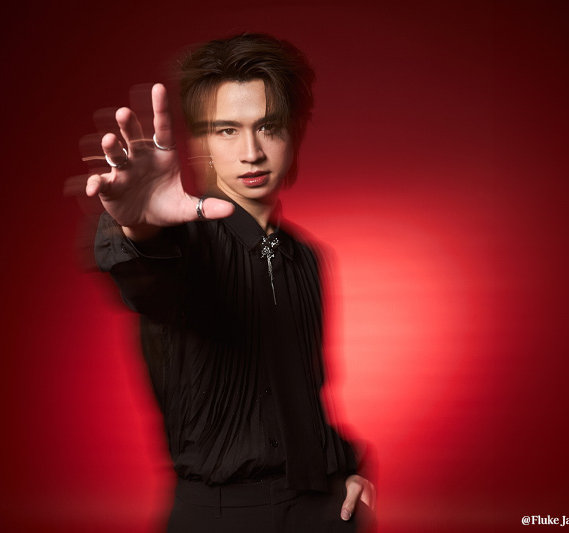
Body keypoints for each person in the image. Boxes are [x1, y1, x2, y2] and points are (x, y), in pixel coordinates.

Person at [85, 33, 375, 532]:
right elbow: (143, 277)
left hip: (321, 510)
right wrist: (136, 227)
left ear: (293, 135)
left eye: (269, 127)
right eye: (227, 130)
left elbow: (307, 394)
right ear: (201, 143)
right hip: (218, 517)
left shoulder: (306, 258)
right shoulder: (183, 244)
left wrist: (349, 471)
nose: (251, 152)